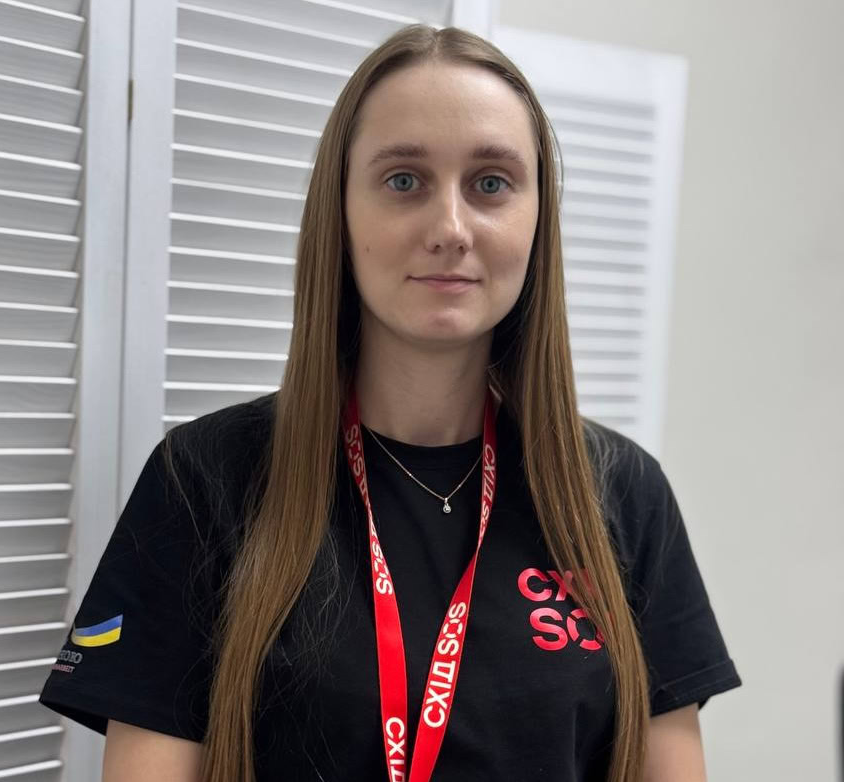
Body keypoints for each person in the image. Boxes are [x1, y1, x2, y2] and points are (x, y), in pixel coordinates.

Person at [38, 23, 741, 782]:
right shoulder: (203, 478)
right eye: (404, 180)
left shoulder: (623, 492)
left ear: (539, 217)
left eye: (491, 183)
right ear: (340, 211)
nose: (450, 229)